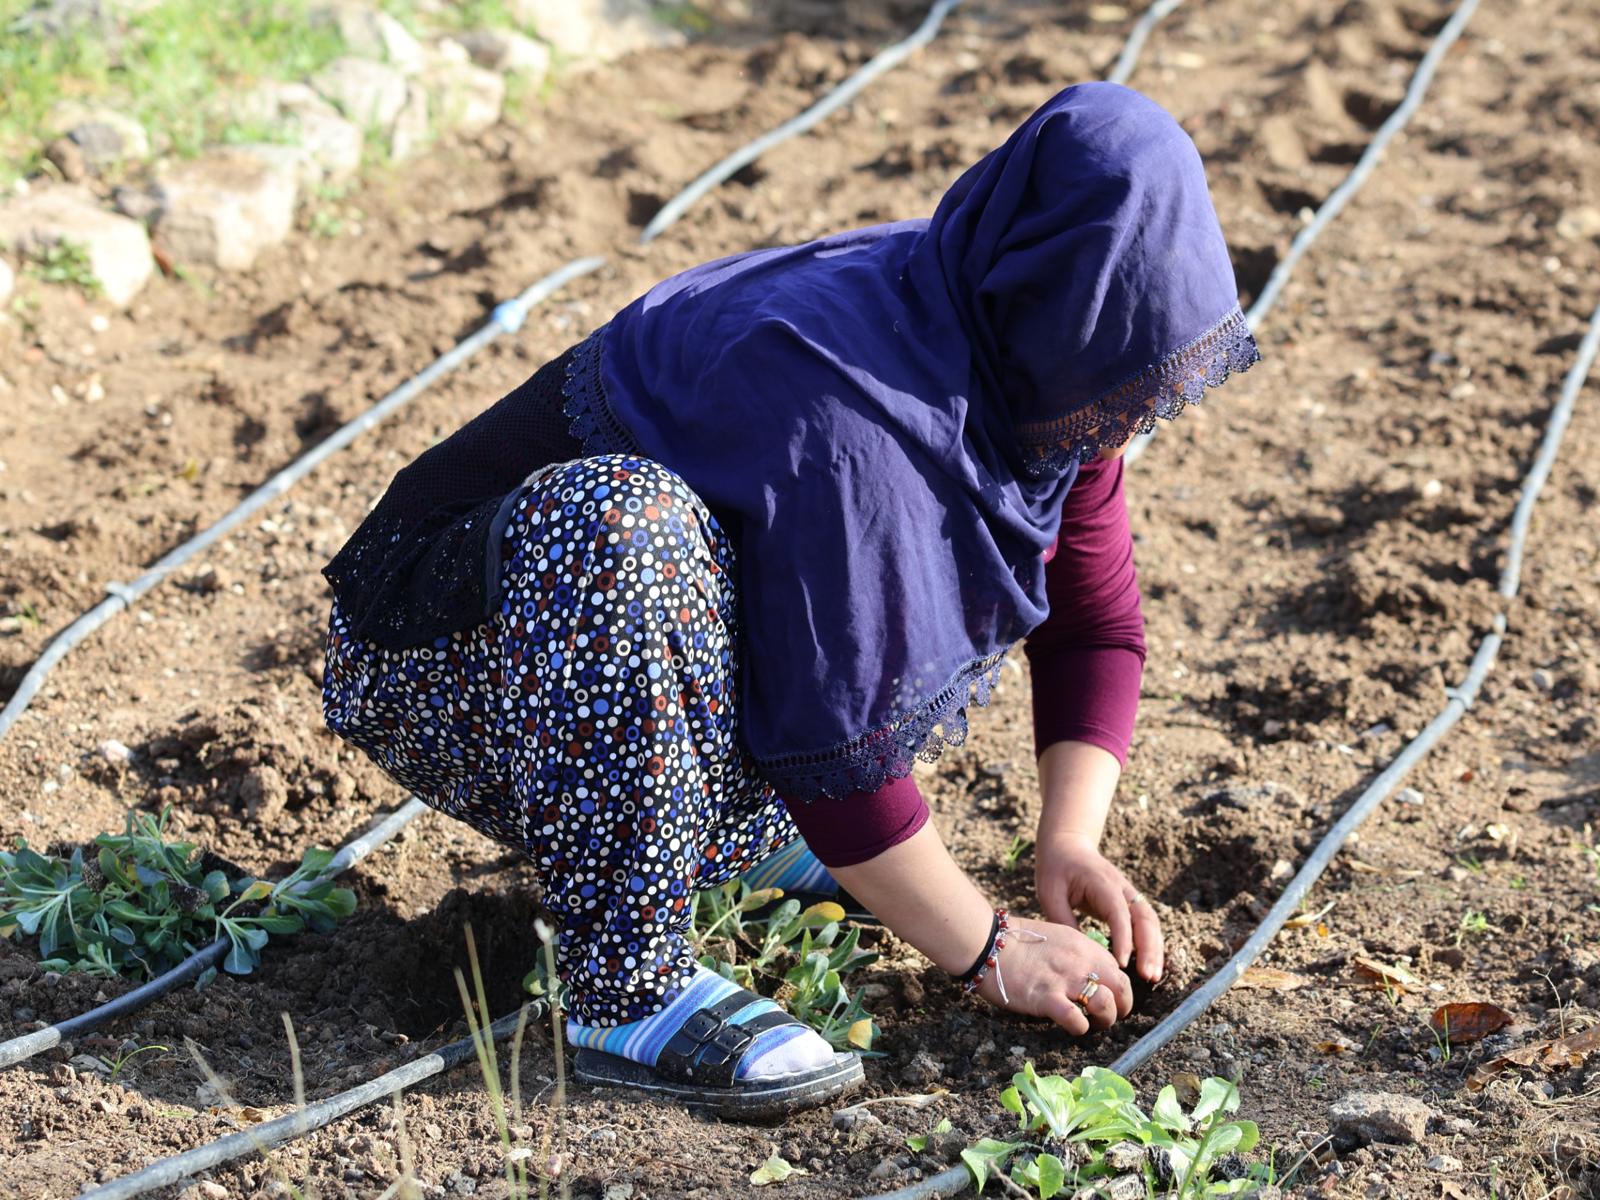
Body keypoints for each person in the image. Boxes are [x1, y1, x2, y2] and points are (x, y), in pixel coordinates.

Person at [319, 81, 1258, 1118]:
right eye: (1122, 383)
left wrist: (1068, 837)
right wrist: (985, 947)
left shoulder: (1025, 347)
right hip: (452, 661)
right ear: (1055, 303)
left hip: (627, 676)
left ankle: (722, 836)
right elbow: (836, 743)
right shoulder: (851, 407)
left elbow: (1093, 621)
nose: (1132, 423)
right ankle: (625, 987)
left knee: (719, 573)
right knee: (622, 524)